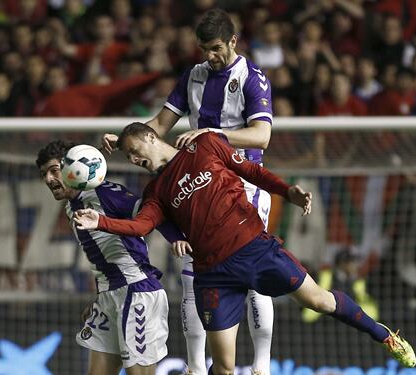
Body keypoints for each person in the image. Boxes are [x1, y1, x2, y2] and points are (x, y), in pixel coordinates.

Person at [78, 123, 416, 375]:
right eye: (128, 157)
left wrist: (287, 192)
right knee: (224, 369)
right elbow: (141, 226)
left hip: (255, 248)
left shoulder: (206, 145)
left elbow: (250, 170)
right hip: (213, 275)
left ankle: (383, 335)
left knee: (319, 301)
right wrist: (101, 221)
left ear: (152, 136)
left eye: (135, 151)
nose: (134, 159)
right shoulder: (156, 190)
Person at [102, 9, 276, 375]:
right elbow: (159, 126)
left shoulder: (252, 79)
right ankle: (197, 367)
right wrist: (123, 141)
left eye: (215, 49)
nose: (209, 57)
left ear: (233, 41)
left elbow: (261, 135)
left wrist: (211, 136)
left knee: (254, 273)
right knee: (191, 271)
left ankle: (262, 366)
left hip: (242, 184)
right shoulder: (193, 76)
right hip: (196, 184)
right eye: (203, 50)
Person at [35, 140, 175, 375]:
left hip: (137, 291)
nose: (49, 179)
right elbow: (106, 256)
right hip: (109, 295)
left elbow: (152, 215)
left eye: (54, 170)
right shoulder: (72, 206)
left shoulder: (106, 193)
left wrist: (178, 238)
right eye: (44, 174)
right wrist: (101, 296)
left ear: (72, 167)